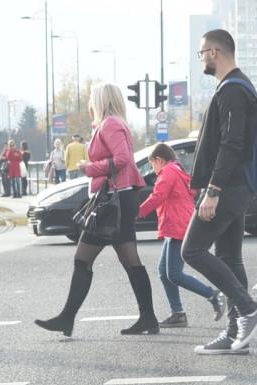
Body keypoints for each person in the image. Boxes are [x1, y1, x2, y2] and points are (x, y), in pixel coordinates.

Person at [35, 83, 157, 338]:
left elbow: (122, 159)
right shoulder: (115, 123)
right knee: (129, 260)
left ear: (100, 100)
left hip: (111, 203)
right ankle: (148, 318)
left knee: (83, 259)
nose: (89, 102)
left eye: (92, 98)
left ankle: (67, 318)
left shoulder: (110, 124)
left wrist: (89, 167)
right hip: (120, 199)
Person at [183, 29, 257, 355]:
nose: (201, 58)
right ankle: (236, 336)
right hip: (235, 186)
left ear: (215, 52)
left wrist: (213, 190)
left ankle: (247, 309)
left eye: (202, 52)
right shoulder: (237, 86)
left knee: (191, 251)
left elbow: (232, 145)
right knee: (229, 257)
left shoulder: (232, 90)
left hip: (228, 187)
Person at [138, 143, 225, 329]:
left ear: (159, 160)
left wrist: (137, 212)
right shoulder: (177, 170)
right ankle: (178, 314)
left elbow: (157, 195)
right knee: (164, 272)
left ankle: (213, 295)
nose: (153, 169)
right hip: (177, 224)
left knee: (174, 274)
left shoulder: (168, 172)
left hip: (177, 225)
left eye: (152, 164)